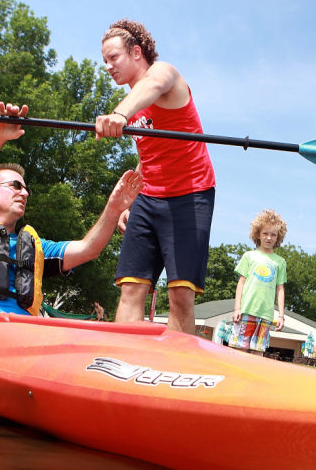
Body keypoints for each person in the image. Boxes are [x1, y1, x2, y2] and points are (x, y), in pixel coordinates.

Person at [0, 101, 143, 315]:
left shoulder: (37, 247)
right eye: (16, 186)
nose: (25, 193)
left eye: (26, 189)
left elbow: (88, 249)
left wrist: (113, 208)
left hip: (23, 329)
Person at [95, 18, 216, 334]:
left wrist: (119, 114)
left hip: (190, 195)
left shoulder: (163, 75)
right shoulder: (133, 104)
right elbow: (148, 154)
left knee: (180, 294)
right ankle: (122, 364)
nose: (108, 66)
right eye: (104, 61)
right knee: (131, 288)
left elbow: (154, 85)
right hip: (148, 199)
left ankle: (179, 370)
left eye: (114, 58)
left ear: (136, 52)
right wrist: (130, 202)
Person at [230, 209, 288, 356]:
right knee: (239, 350)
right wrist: (237, 308)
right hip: (246, 310)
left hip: (266, 315)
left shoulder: (280, 262)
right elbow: (241, 283)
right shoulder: (249, 256)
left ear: (278, 237)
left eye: (273, 234)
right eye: (265, 233)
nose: (269, 238)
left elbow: (280, 289)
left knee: (258, 352)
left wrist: (281, 315)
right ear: (258, 234)